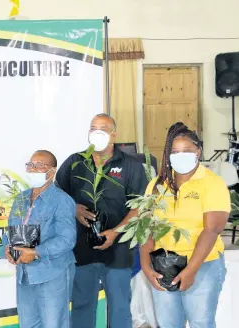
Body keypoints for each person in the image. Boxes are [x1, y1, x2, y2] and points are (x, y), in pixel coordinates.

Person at [56, 114, 148, 328]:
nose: (97, 132)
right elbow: (57, 197)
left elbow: (141, 207)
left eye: (103, 128)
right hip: (82, 251)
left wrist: (115, 232)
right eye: (93, 128)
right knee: (81, 306)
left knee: (119, 309)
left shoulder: (131, 166)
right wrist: (74, 208)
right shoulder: (75, 162)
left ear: (113, 135)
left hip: (118, 251)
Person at [141, 123, 228, 328]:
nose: (180, 156)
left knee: (201, 323)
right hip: (163, 264)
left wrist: (191, 270)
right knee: (168, 324)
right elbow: (145, 227)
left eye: (186, 151)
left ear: (198, 151)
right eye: (175, 152)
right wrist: (146, 266)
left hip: (202, 265)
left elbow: (212, 229)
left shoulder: (212, 183)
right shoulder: (156, 185)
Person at [3, 150, 77, 328]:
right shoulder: (20, 199)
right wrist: (6, 248)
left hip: (52, 273)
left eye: (40, 166)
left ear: (52, 171)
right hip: (25, 275)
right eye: (31, 165)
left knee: (53, 324)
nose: (34, 169)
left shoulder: (62, 200)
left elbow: (67, 239)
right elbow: (9, 233)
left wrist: (36, 252)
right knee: (27, 324)